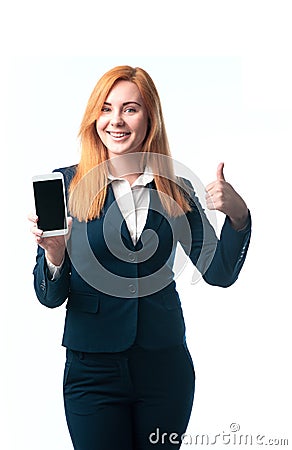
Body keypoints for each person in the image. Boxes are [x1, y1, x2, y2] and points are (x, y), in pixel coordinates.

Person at [29, 65, 251, 450]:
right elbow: (50, 297)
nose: (116, 120)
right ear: (93, 117)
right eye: (106, 108)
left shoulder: (176, 188)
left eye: (130, 109)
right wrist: (54, 256)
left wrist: (238, 216)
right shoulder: (66, 184)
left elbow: (219, 272)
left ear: (150, 118)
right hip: (92, 371)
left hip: (164, 369)